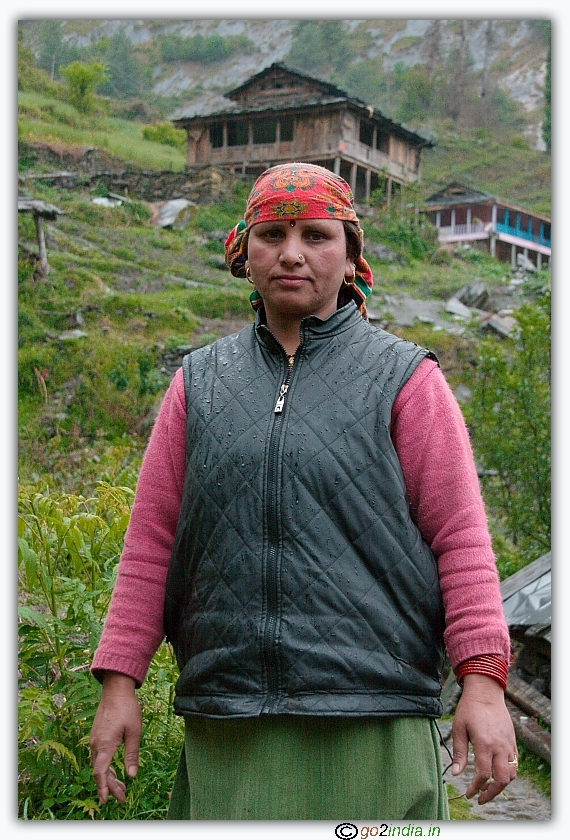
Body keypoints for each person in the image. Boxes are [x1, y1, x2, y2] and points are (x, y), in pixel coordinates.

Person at [90, 162, 517, 820]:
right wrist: (121, 682)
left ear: (350, 258)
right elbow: (152, 541)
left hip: (375, 726)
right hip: (230, 728)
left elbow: (461, 539)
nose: (292, 253)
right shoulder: (198, 385)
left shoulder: (406, 381)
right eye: (273, 234)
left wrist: (483, 684)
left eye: (317, 235)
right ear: (246, 251)